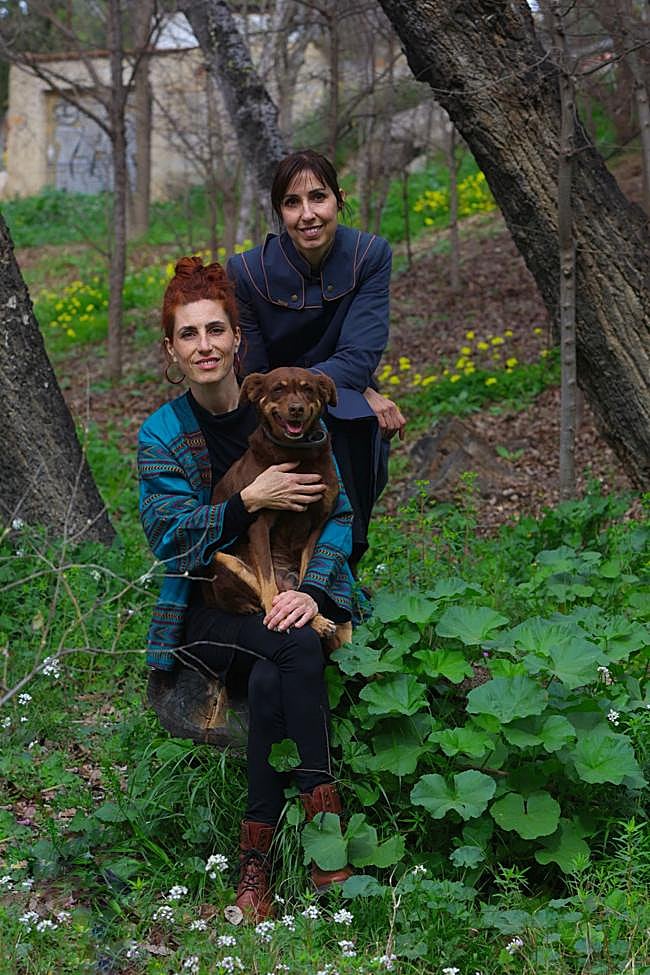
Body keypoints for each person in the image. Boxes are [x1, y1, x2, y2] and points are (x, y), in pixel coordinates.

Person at [138, 257, 360, 922]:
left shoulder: (299, 418)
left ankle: (254, 870)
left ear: (239, 339)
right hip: (211, 608)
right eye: (188, 334)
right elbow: (170, 541)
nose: (204, 345)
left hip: (289, 601)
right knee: (290, 648)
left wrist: (314, 593)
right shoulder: (163, 434)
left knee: (276, 671)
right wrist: (246, 502)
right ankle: (328, 840)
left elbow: (339, 518)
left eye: (216, 330)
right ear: (171, 349)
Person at [227, 148, 406, 570]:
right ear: (279, 212)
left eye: (318, 198)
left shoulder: (370, 255)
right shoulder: (247, 272)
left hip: (339, 392)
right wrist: (336, 388)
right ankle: (276, 566)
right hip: (275, 403)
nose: (308, 214)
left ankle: (342, 569)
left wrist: (357, 387)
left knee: (357, 420)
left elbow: (360, 355)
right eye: (292, 203)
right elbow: (254, 372)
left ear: (339, 199)